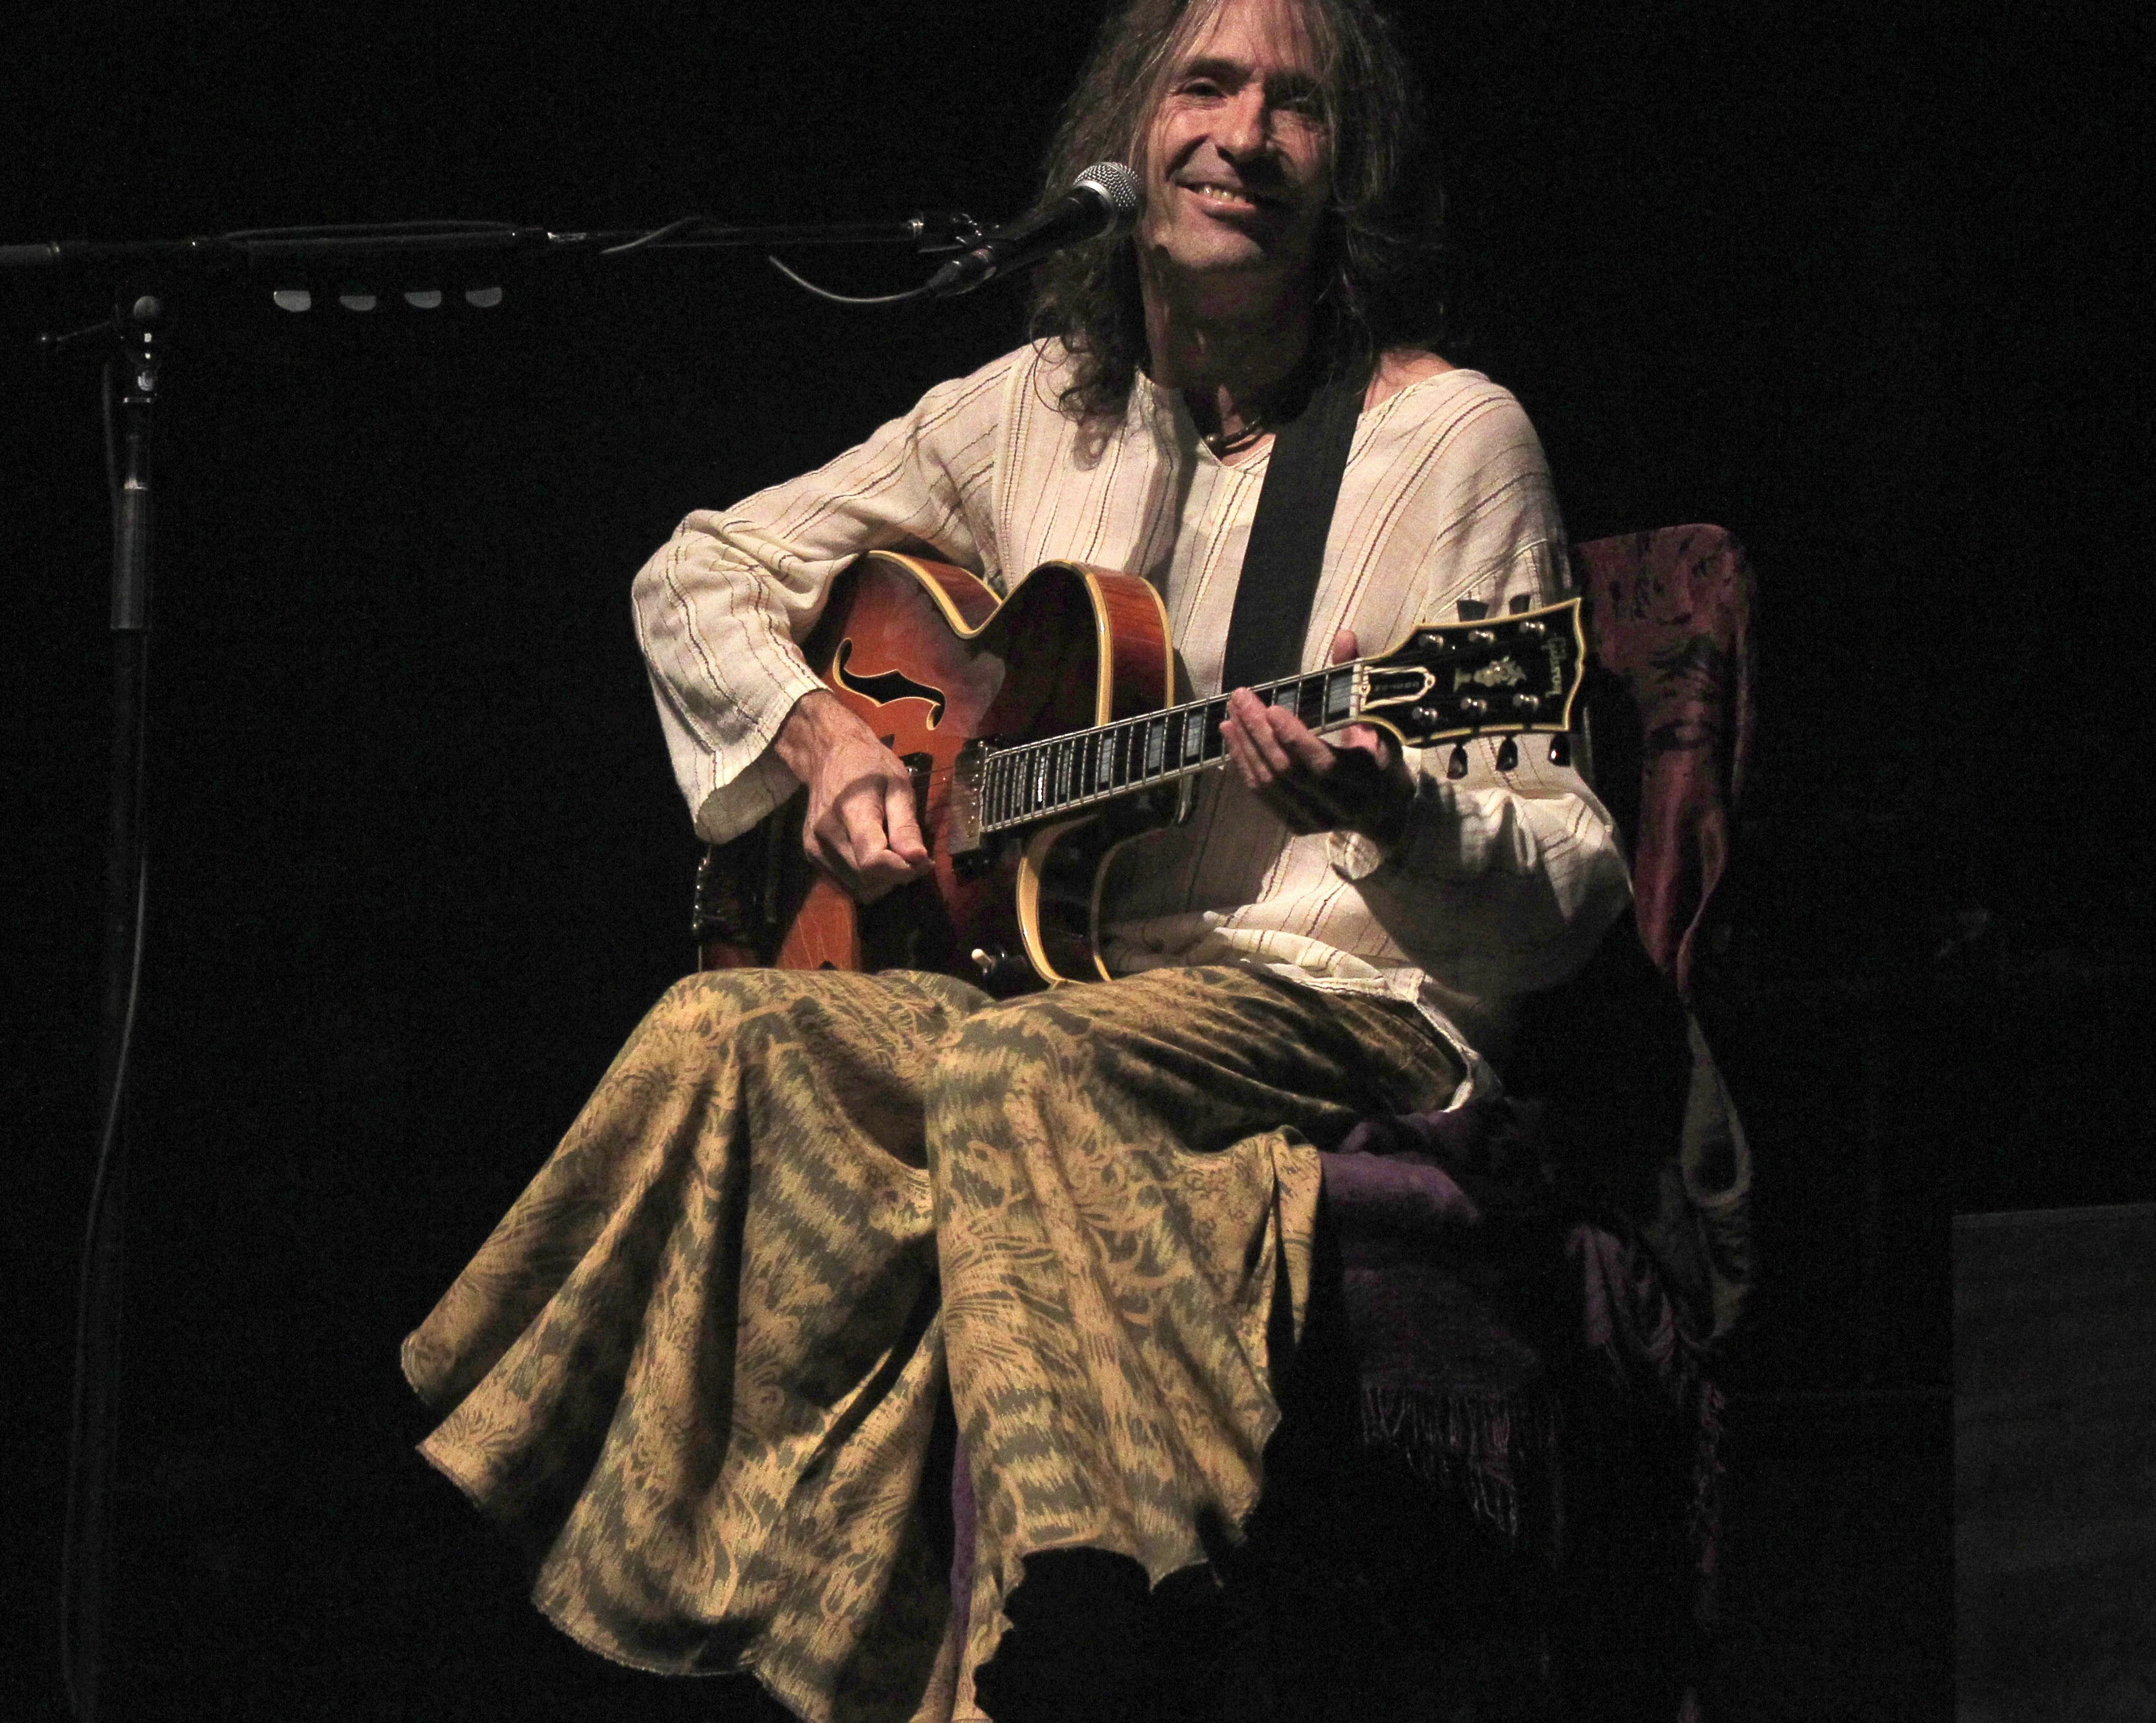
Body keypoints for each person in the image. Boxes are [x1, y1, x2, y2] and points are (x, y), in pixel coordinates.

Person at [400, 1, 1629, 1719]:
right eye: (1204, 84)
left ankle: (1085, 1610)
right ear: (1117, 146)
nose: (1244, 134)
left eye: (1299, 107)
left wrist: (1395, 808)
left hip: (1340, 994)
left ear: (1349, 176)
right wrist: (826, 741)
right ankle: (651, 1529)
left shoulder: (1447, 439)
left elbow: (1572, 870)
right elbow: (695, 574)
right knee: (732, 1030)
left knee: (1022, 1063)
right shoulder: (1026, 414)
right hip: (1065, 988)